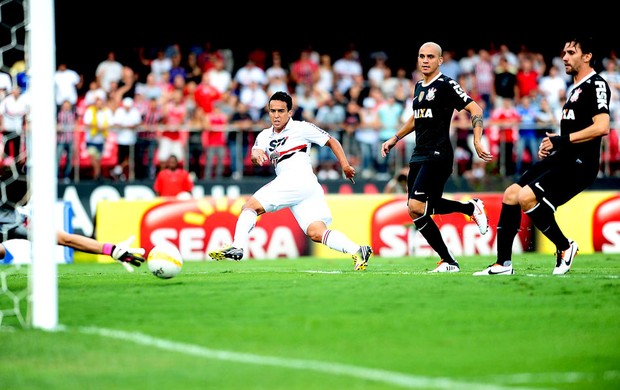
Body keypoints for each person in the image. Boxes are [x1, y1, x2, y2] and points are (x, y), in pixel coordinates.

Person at [474, 36, 611, 276]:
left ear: (587, 56)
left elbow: (602, 127)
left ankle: (565, 246)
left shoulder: (596, 84)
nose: (564, 57)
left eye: (571, 52)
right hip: (562, 157)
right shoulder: (574, 88)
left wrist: (562, 140)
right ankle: (502, 264)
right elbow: (572, 131)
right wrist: (552, 144)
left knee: (527, 197)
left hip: (581, 164)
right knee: (511, 194)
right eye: (564, 52)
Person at [208, 91, 372, 270]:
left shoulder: (302, 128)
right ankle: (357, 250)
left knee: (249, 207)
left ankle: (237, 245)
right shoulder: (264, 135)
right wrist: (256, 155)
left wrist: (345, 166)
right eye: (272, 111)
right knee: (316, 232)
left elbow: (332, 141)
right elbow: (256, 153)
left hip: (298, 178)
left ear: (290, 113)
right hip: (304, 187)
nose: (276, 115)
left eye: (281, 111)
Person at [380, 42, 492, 273]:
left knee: (416, 205)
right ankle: (451, 255)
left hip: (438, 153)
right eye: (421, 56)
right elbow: (416, 118)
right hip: (419, 154)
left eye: (430, 56)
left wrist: (477, 140)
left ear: (440, 60)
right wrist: (395, 138)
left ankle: (469, 213)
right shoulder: (419, 86)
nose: (425, 60)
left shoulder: (446, 85)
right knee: (415, 210)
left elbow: (476, 109)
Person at [0, 163, 144, 271]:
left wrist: (111, 250)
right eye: (29, 191)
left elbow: (66, 239)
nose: (31, 196)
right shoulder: (17, 222)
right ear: (18, 194)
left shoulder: (18, 220)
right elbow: (67, 240)